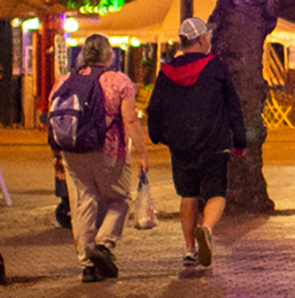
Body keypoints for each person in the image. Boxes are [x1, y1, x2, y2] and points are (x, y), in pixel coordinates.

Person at [144, 16, 245, 269]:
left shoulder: (167, 71)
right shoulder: (216, 67)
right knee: (216, 194)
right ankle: (207, 229)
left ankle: (190, 249)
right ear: (201, 39)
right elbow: (233, 106)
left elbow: (154, 108)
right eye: (207, 36)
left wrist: (158, 136)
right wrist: (239, 140)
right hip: (214, 142)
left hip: (181, 146)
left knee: (187, 194)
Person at [51, 32, 145, 283]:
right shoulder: (118, 82)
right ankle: (103, 245)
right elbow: (130, 120)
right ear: (108, 55)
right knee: (119, 200)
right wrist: (143, 153)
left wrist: (56, 155)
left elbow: (56, 118)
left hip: (72, 152)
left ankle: (87, 265)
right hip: (110, 151)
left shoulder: (64, 81)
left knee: (82, 205)